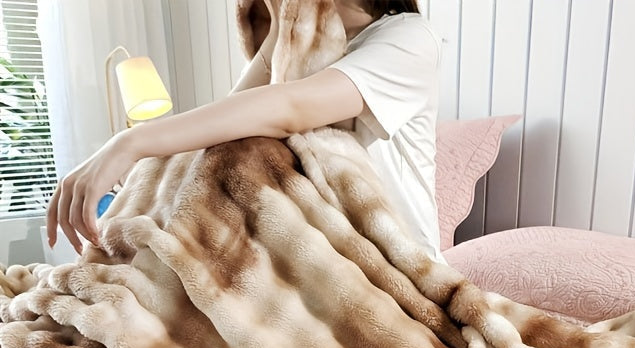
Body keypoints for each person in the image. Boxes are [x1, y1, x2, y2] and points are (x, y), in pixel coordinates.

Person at [46, 0, 442, 260]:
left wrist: (129, 142)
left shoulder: (408, 38)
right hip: (325, 262)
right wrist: (279, 29)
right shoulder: (294, 44)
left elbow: (291, 107)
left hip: (400, 267)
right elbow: (219, 131)